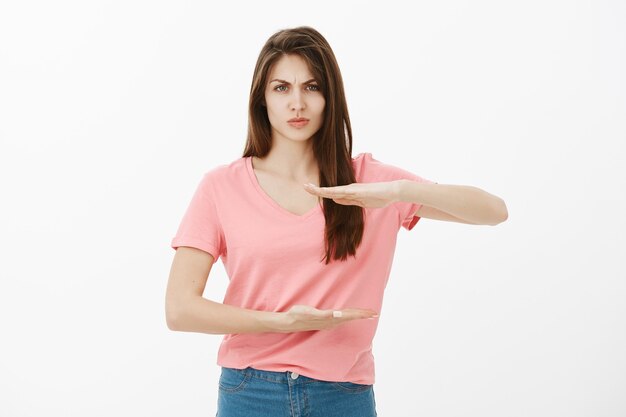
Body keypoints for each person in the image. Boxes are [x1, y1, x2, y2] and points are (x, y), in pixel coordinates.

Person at [165, 25, 508, 417]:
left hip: (343, 394)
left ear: (330, 97)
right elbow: (179, 309)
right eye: (282, 88)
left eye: (311, 87)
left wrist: (398, 192)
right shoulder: (220, 187)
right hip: (250, 390)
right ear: (262, 99)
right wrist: (281, 323)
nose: (297, 103)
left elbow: (494, 211)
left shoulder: (370, 182)